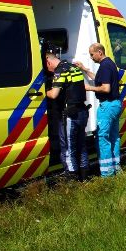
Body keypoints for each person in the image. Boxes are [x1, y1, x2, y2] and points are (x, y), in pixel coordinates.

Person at [74, 43, 122, 177]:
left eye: (92, 54)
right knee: (114, 137)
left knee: (103, 138)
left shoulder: (105, 66)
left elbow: (105, 88)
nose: (91, 57)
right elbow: (99, 79)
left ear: (99, 52)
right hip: (115, 105)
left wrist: (87, 88)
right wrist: (84, 69)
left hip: (107, 106)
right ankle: (116, 167)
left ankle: (107, 173)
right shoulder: (109, 64)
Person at [45, 52, 89, 181]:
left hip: (69, 115)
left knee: (68, 148)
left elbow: (53, 94)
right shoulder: (73, 67)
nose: (48, 70)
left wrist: (43, 91)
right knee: (81, 145)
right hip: (82, 111)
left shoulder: (60, 71)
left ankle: (72, 179)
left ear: (49, 62)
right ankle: (84, 177)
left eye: (46, 66)